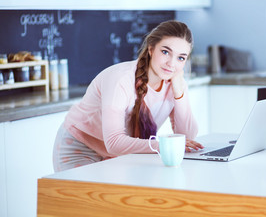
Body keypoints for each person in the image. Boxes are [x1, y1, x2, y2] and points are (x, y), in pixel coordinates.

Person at [53, 20, 204, 172]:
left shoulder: (175, 83)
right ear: (151, 49)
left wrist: (179, 93)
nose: (171, 63)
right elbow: (114, 142)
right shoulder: (121, 79)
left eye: (181, 58)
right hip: (81, 147)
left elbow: (187, 138)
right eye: (165, 52)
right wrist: (161, 146)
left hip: (120, 154)